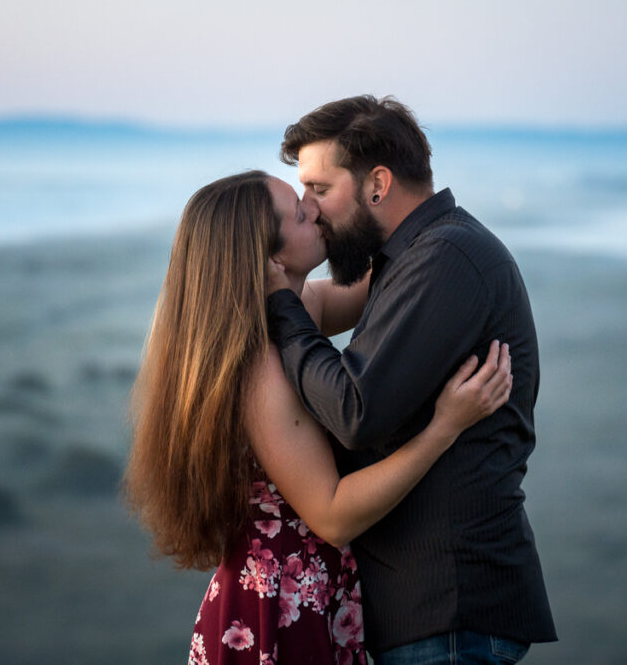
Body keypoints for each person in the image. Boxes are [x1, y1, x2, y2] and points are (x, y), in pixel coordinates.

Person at [124, 170, 514, 664]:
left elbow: (399, 280)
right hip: (280, 613)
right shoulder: (260, 370)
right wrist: (444, 428)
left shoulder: (293, 307)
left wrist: (393, 203)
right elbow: (333, 515)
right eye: (301, 212)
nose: (315, 209)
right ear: (271, 259)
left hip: (310, 595)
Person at [266, 96, 557, 663]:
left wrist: (279, 304)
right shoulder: (408, 258)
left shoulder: (447, 255)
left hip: (449, 608)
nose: (311, 208)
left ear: (377, 184)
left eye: (320, 190)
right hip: (429, 610)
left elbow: (355, 410)